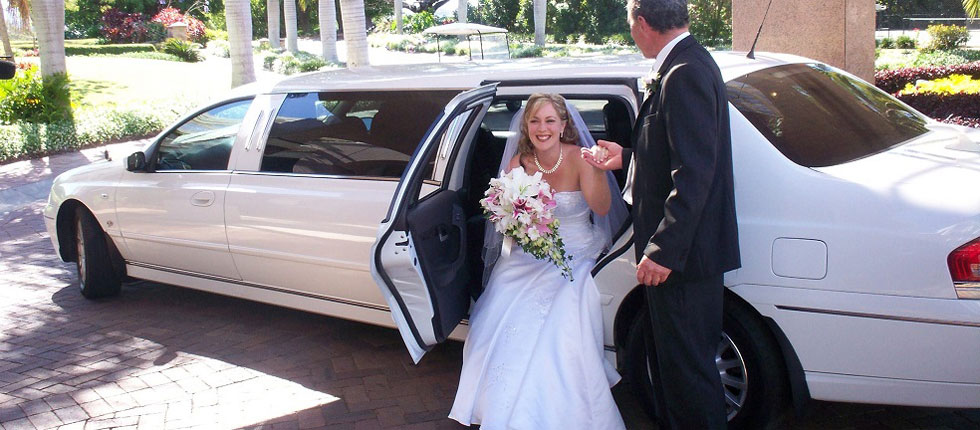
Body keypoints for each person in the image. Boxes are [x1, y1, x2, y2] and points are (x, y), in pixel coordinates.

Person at [581, 0, 741, 428]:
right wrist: (628, 157)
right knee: (674, 370)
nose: (632, 35)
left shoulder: (684, 73)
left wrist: (663, 250)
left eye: (631, 26)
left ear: (644, 23)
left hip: (683, 261)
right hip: (686, 257)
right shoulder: (689, 62)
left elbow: (694, 173)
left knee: (688, 376)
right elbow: (678, 151)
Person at [449, 93, 629, 429]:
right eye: (535, 121)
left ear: (563, 125)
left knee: (563, 314)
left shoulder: (580, 158)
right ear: (526, 126)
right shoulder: (518, 163)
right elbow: (503, 217)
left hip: (575, 251)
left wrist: (599, 171)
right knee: (497, 303)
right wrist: (519, 221)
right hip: (529, 252)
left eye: (549, 121)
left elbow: (602, 209)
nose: (542, 128)